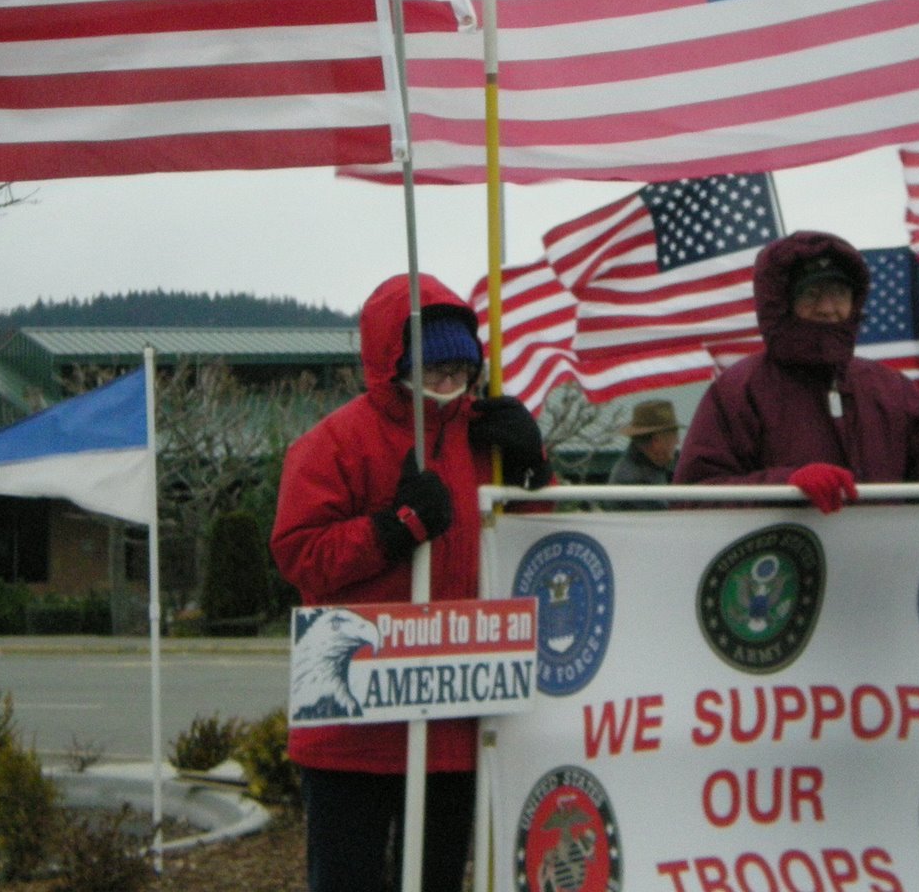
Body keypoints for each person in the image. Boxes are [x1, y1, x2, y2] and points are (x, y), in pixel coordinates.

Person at [270, 273, 550, 892]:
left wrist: (534, 470)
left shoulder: (488, 439)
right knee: (348, 879)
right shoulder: (332, 445)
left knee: (436, 878)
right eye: (433, 368)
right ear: (391, 361)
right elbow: (299, 555)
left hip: (453, 714)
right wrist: (391, 530)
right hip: (351, 723)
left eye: (460, 369)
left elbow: (540, 546)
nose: (448, 384)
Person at [674, 230, 919, 509]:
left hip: (883, 590)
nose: (829, 308)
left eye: (839, 293)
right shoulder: (739, 391)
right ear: (782, 302)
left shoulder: (889, 390)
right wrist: (787, 486)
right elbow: (694, 495)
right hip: (780, 599)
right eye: (812, 294)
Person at [608, 399, 683, 485]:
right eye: (673, 436)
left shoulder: (657, 467)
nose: (677, 441)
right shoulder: (633, 481)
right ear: (656, 441)